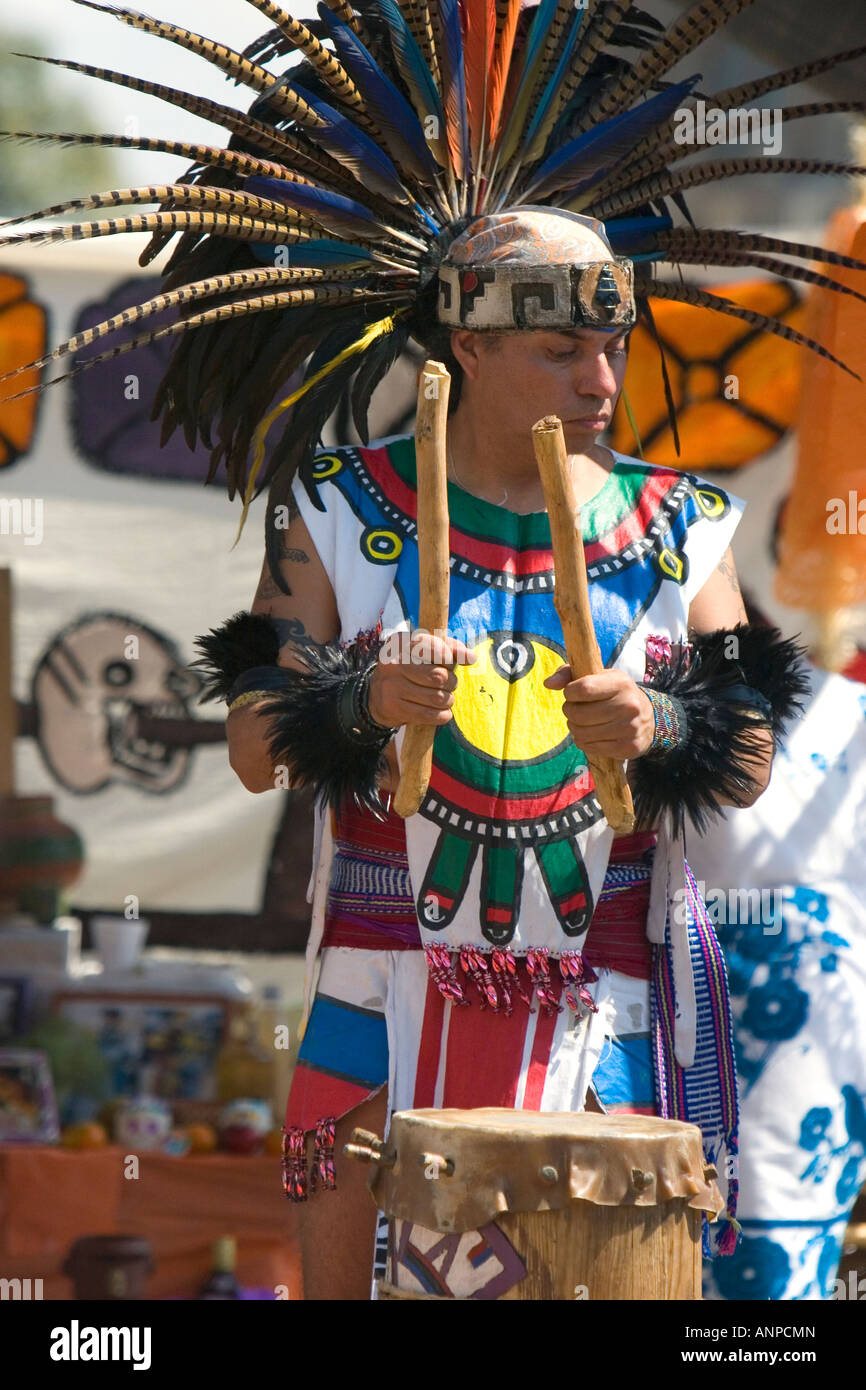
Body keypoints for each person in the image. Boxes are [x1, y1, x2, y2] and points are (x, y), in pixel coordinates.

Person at [4, 0, 856, 1304]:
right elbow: (247, 744)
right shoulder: (341, 511)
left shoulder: (681, 525)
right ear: (466, 346)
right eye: (561, 347)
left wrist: (661, 725)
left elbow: (741, 758)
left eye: (611, 343)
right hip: (374, 995)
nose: (601, 379)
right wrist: (356, 697)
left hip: (598, 1012)